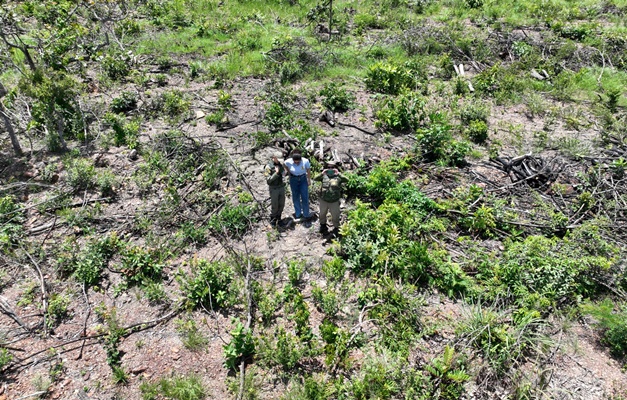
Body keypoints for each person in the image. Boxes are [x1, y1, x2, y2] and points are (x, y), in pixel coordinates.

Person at [313, 161, 348, 234]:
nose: (330, 169)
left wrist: (339, 174)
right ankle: (323, 225)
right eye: (329, 167)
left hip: (334, 201)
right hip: (324, 200)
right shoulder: (323, 176)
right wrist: (322, 173)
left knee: (335, 216)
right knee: (322, 214)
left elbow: (347, 180)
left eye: (332, 167)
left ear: (335, 168)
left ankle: (336, 228)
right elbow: (315, 178)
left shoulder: (338, 177)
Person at [284, 149, 312, 221]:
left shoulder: (305, 161)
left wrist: (309, 180)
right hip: (293, 179)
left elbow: (308, 170)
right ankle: (298, 213)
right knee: (295, 196)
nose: (296, 163)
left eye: (298, 162)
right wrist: (289, 172)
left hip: (303, 179)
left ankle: (306, 214)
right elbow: (284, 165)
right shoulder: (288, 161)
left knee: (304, 196)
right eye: (295, 162)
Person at [264, 151, 286, 226]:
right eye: (278, 159)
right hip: (274, 189)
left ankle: (279, 218)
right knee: (275, 205)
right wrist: (276, 173)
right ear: (274, 158)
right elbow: (268, 180)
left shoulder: (280, 165)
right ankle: (273, 220)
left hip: (281, 187)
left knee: (281, 204)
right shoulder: (268, 167)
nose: (280, 161)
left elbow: (283, 173)